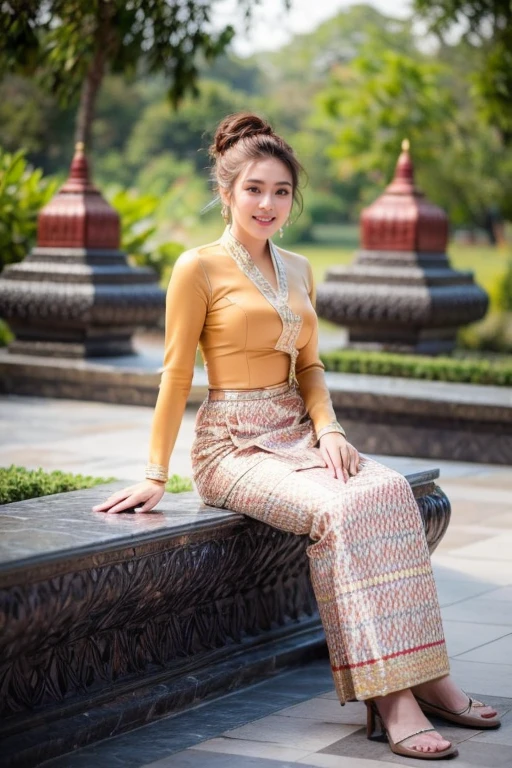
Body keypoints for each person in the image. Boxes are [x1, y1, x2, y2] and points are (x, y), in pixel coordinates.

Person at [93, 112, 500, 760]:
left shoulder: (301, 268)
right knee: (342, 510)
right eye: (255, 188)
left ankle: (431, 677)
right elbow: (173, 377)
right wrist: (153, 473)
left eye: (282, 191)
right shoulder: (196, 267)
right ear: (227, 191)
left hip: (297, 433)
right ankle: (389, 698)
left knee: (390, 491)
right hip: (233, 446)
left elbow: (309, 366)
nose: (268, 203)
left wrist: (329, 428)